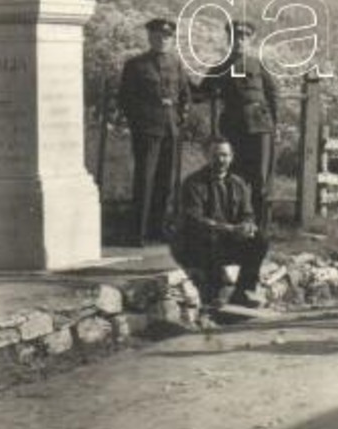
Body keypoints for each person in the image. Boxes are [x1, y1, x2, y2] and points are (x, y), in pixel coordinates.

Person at [117, 17, 191, 246]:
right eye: (158, 36)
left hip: (170, 129)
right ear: (150, 37)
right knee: (145, 180)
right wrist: (138, 121)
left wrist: (181, 116)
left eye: (167, 37)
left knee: (165, 181)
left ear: (171, 40)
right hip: (147, 129)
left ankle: (157, 229)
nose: (163, 40)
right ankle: (136, 233)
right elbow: (125, 99)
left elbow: (185, 94)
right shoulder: (136, 65)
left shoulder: (176, 63)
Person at [204, 19, 281, 232]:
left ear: (251, 40)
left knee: (260, 179)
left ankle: (260, 228)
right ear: (229, 39)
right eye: (237, 36)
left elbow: (273, 94)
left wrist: (276, 125)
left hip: (261, 127)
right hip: (234, 128)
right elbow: (202, 91)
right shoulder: (220, 67)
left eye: (245, 37)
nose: (240, 41)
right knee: (234, 176)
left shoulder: (258, 64)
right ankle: (237, 225)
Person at [172, 138, 267, 308]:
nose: (221, 160)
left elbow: (248, 213)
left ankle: (242, 290)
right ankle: (214, 293)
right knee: (209, 238)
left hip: (228, 239)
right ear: (206, 156)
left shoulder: (238, 183)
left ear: (231, 157)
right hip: (197, 242)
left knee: (260, 240)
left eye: (225, 155)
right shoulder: (193, 183)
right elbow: (195, 220)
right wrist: (230, 229)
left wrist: (247, 225)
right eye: (215, 155)